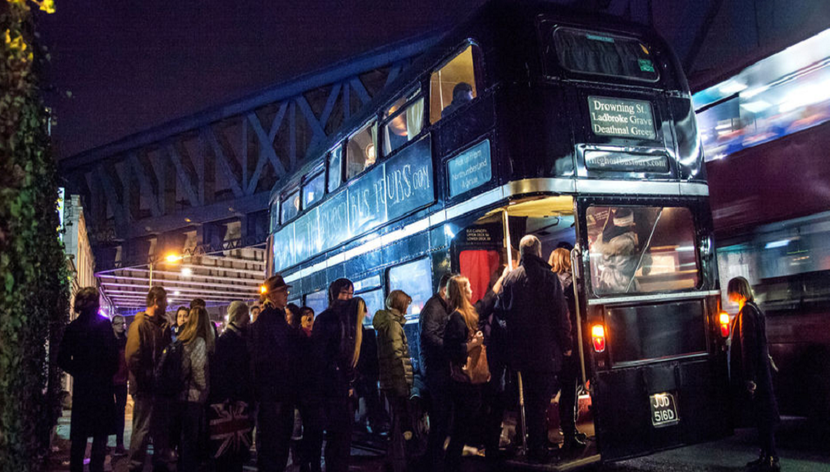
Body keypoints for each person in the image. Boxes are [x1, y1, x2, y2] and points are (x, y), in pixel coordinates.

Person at [495, 235, 571, 463]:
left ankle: (532, 443)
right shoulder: (549, 277)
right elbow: (560, 315)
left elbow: (500, 314)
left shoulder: (510, 279)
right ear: (538, 252)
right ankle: (538, 449)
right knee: (541, 402)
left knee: (529, 400)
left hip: (520, 353)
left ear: (521, 253)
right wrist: (566, 344)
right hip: (546, 351)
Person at [57, 287, 119, 472]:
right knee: (100, 436)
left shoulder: (73, 328)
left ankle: (76, 468)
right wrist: (105, 373)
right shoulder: (104, 325)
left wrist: (79, 371)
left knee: (79, 437)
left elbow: (61, 358)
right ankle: (95, 468)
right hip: (102, 388)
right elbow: (113, 358)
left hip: (83, 388)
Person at [310, 282, 365, 472]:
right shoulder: (327, 320)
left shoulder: (348, 320)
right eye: (344, 293)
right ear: (334, 295)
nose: (348, 298)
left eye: (351, 293)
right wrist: (344, 379)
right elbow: (322, 357)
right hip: (334, 389)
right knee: (337, 438)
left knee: (343, 439)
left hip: (343, 387)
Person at [727, 277, 780, 472]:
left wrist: (749, 378)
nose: (729, 295)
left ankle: (770, 458)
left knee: (762, 417)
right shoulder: (755, 309)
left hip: (756, 374)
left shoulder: (746, 313)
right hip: (762, 371)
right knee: (764, 416)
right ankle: (766, 456)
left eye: (731, 291)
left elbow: (747, 345)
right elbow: (761, 341)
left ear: (737, 291)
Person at [249, 274, 299, 471]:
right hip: (275, 395)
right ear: (271, 296)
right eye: (282, 291)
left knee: (274, 443)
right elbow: (273, 358)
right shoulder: (270, 321)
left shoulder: (273, 319)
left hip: (275, 394)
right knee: (275, 443)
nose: (286, 294)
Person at [125, 286, 174, 472]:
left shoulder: (161, 326)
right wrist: (146, 377)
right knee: (143, 429)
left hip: (158, 387)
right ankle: (135, 466)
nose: (167, 304)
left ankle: (158, 464)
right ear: (156, 301)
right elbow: (132, 357)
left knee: (159, 429)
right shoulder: (140, 325)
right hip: (145, 388)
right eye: (164, 300)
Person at [442, 276, 485, 471]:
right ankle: (452, 463)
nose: (472, 291)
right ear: (461, 292)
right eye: (468, 288)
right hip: (462, 379)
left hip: (466, 379)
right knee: (462, 423)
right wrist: (474, 343)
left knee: (463, 423)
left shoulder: (463, 315)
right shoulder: (456, 318)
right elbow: (452, 349)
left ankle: (453, 461)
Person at [548, 247, 587, 452]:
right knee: (570, 388)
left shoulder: (549, 283)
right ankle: (570, 431)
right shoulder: (572, 283)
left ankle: (567, 429)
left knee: (563, 388)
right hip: (571, 341)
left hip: (553, 344)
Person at [374, 290, 415, 472]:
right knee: (402, 423)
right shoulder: (393, 325)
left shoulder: (388, 323)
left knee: (397, 422)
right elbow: (396, 356)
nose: (407, 308)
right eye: (406, 304)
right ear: (400, 304)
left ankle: (393, 460)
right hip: (396, 381)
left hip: (390, 381)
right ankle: (401, 462)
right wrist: (402, 385)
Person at [209, 301, 253, 472]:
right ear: (240, 315)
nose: (249, 318)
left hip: (236, 396)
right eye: (246, 314)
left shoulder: (229, 338)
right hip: (235, 399)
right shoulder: (231, 340)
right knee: (234, 441)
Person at [174, 305, 214, 471]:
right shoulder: (199, 342)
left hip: (181, 394)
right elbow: (198, 370)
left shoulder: (183, 338)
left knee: (184, 438)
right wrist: (205, 390)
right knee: (191, 438)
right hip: (194, 396)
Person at [419, 273, 453, 471]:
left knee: (441, 417)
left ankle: (433, 458)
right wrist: (451, 347)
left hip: (437, 369)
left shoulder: (439, 306)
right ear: (444, 290)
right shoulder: (434, 307)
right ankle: (433, 460)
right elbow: (430, 335)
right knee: (440, 417)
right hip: (435, 370)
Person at [592, 208, 641, 293]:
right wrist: (639, 261)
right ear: (629, 221)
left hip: (606, 279)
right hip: (621, 282)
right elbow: (624, 266)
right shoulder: (625, 241)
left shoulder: (604, 236)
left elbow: (598, 261)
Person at [111, 314, 129, 456]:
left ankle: (119, 443)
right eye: (118, 323)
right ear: (113, 325)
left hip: (121, 381)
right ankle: (104, 442)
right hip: (109, 381)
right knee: (107, 411)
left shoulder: (127, 342)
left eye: (123, 323)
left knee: (120, 412)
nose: (121, 326)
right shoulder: (108, 341)